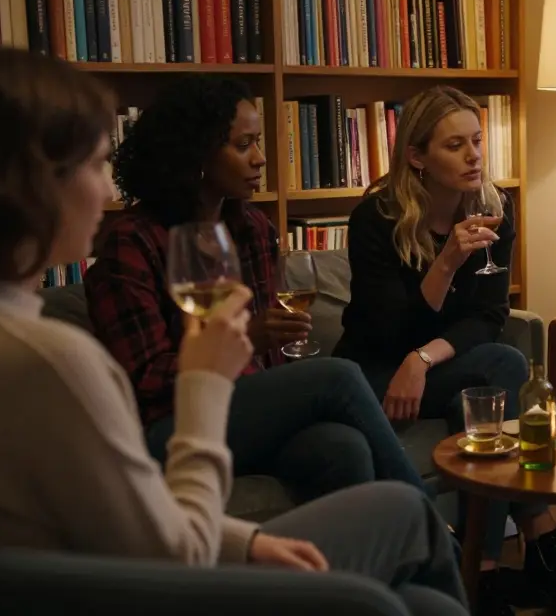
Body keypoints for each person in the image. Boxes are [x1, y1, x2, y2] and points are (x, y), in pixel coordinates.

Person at [0, 45, 467, 616]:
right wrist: (203, 377)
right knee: (401, 502)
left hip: (105, 571)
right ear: (25, 184)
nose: (105, 191)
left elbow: (112, 511)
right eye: (94, 165)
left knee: (349, 462)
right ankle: (439, 547)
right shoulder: (51, 357)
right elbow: (177, 547)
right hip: (156, 588)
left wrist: (247, 539)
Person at [334, 85, 556, 615]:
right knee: (492, 376)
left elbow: (488, 319)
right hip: (370, 367)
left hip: (424, 364)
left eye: (478, 141)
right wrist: (445, 264)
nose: (474, 156)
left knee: (503, 362)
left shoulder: (494, 208)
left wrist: (424, 361)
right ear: (416, 156)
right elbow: (390, 331)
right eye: (455, 145)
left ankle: (482, 570)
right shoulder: (376, 218)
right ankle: (541, 539)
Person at [84, 75, 426, 506]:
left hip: (245, 411)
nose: (261, 159)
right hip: (170, 424)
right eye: (243, 145)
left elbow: (268, 365)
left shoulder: (251, 230)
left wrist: (269, 356)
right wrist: (247, 340)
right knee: (338, 377)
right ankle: (434, 535)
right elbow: (144, 380)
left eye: (258, 142)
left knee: (343, 448)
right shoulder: (133, 243)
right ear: (198, 154)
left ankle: (361, 570)